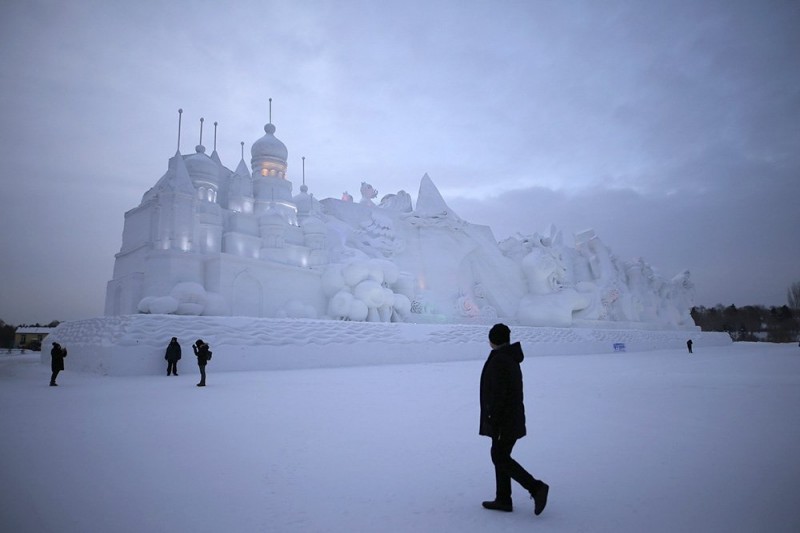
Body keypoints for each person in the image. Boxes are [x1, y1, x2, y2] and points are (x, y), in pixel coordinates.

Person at [479, 323, 549, 516]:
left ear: (493, 341)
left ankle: (536, 488)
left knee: (499, 456)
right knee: (500, 456)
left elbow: (499, 394)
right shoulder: (507, 357)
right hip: (509, 418)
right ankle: (503, 499)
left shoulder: (501, 360)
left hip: (504, 420)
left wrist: (493, 417)